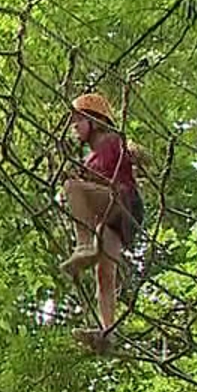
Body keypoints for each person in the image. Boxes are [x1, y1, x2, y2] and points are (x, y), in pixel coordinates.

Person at [59, 91, 141, 351]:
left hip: (120, 203)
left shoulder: (110, 142)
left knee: (72, 187)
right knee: (104, 273)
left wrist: (80, 179)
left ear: (94, 121)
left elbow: (106, 175)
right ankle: (108, 331)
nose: (74, 128)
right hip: (114, 219)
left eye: (78, 121)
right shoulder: (91, 157)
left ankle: (83, 245)